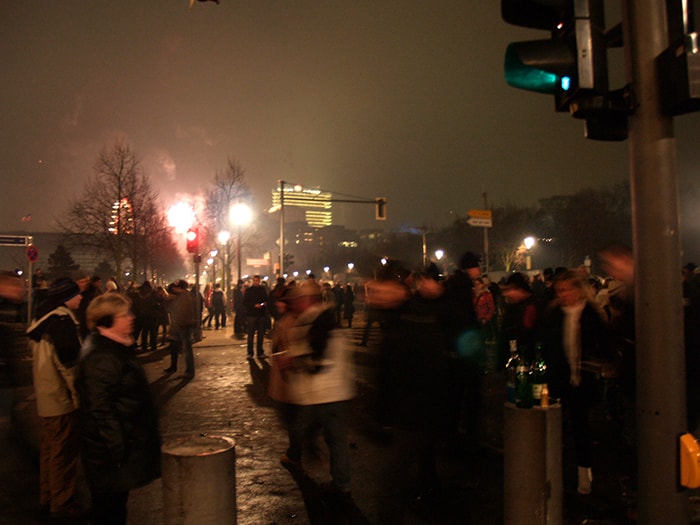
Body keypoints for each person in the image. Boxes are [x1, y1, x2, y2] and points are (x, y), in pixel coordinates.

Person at [76, 293, 161, 525]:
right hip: (109, 457)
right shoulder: (102, 356)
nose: (132, 318)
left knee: (114, 509)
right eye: (124, 314)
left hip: (114, 453)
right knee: (109, 513)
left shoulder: (114, 348)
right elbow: (101, 410)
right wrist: (119, 451)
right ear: (106, 320)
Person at [269, 281, 356, 495]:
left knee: (302, 428)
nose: (296, 304)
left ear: (308, 300)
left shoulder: (313, 321)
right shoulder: (327, 318)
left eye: (299, 300)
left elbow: (315, 358)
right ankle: (341, 483)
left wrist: (292, 361)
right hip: (336, 392)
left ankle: (303, 459)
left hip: (319, 393)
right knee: (336, 439)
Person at [542, 269, 610, 495]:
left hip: (582, 379)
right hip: (558, 379)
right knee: (555, 426)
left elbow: (603, 344)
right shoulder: (554, 315)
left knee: (581, 426)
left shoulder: (591, 314)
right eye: (558, 291)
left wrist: (595, 364)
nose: (562, 295)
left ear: (578, 289)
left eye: (566, 290)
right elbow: (548, 346)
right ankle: (554, 472)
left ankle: (584, 475)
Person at [26, 277, 85, 519]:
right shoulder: (61, 322)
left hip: (45, 395)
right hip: (60, 399)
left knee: (50, 451)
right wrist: (79, 397)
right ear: (66, 297)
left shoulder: (42, 320)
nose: (81, 297)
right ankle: (62, 503)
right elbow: (68, 367)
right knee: (64, 454)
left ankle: (47, 496)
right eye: (77, 294)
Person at [164, 280, 197, 377]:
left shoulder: (185, 297)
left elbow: (181, 312)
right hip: (179, 326)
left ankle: (189, 371)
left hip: (183, 326)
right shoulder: (182, 297)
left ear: (180, 288)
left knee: (187, 350)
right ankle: (174, 367)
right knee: (177, 348)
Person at [243, 275, 268, 358]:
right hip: (252, 315)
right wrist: (254, 305)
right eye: (255, 280)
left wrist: (263, 304)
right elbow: (245, 302)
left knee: (260, 335)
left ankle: (260, 352)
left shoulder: (262, 290)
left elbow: (265, 300)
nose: (256, 282)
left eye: (257, 280)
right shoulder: (249, 291)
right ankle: (250, 352)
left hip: (260, 314)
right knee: (251, 335)